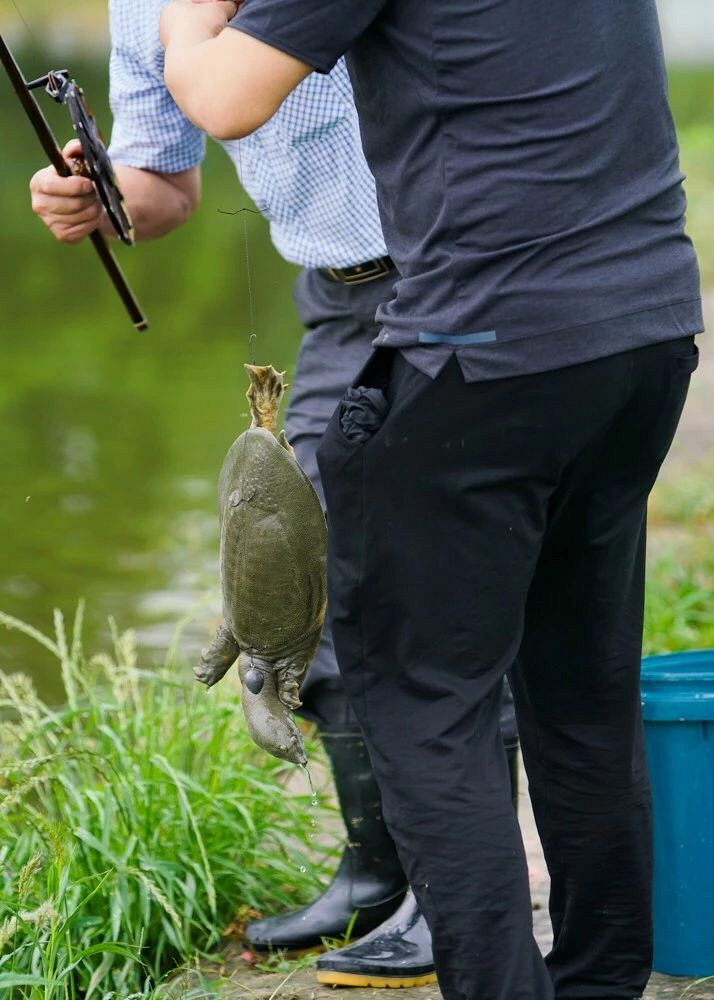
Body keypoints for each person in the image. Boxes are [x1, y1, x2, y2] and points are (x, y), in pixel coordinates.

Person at [159, 1, 704, 999]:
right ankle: (598, 983)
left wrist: (186, 15)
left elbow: (224, 95)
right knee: (583, 697)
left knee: (426, 710)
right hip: (646, 331)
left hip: (481, 357)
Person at [28, 0, 519, 987]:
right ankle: (376, 873)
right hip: (335, 296)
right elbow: (163, 188)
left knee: (433, 592)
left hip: (454, 277)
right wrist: (97, 200)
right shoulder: (140, 8)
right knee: (309, 593)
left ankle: (457, 899)